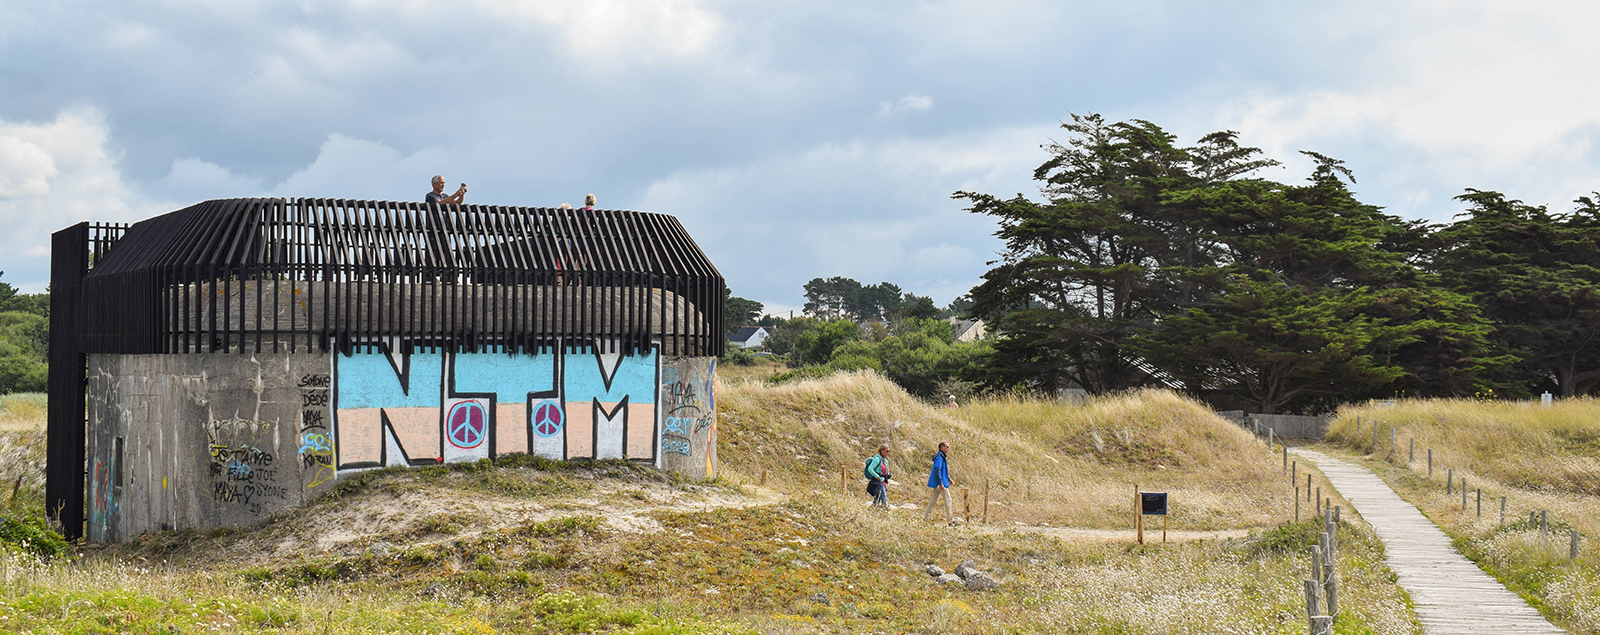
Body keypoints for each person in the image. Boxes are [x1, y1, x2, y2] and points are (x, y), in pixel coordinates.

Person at [923, 441, 953, 524]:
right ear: (942, 447)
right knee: (948, 500)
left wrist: (948, 479)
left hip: (938, 483)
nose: (948, 448)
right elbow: (937, 470)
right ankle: (951, 520)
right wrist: (940, 483)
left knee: (933, 501)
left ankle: (925, 518)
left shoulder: (940, 457)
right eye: (947, 447)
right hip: (940, 484)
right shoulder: (940, 457)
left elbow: (942, 471)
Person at [864, 444, 892, 508]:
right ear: (882, 451)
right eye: (887, 451)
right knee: (883, 496)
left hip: (882, 481)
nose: (888, 453)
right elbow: (870, 469)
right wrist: (878, 477)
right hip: (876, 481)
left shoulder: (885, 460)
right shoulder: (877, 459)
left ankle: (872, 510)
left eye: (889, 451)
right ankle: (886, 509)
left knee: (877, 498)